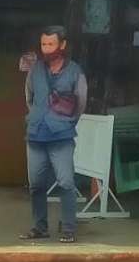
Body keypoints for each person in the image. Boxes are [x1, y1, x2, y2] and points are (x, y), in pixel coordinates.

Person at [21, 25, 88, 244]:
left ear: (63, 45)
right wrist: (37, 115)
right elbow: (29, 96)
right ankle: (40, 227)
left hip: (62, 136)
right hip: (36, 134)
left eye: (51, 44)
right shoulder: (35, 69)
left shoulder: (75, 71)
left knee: (66, 182)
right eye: (43, 44)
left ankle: (68, 229)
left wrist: (66, 121)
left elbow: (81, 102)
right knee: (36, 185)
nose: (47, 49)